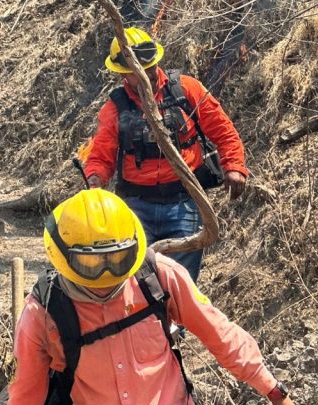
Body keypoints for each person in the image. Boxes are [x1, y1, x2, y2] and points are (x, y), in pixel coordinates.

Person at [0, 189, 307, 405]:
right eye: (91, 263)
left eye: (118, 258)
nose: (108, 274)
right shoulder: (43, 314)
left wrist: (274, 392)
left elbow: (221, 334)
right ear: (63, 257)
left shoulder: (157, 279)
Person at [84, 27, 249, 282]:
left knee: (179, 281)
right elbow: (100, 156)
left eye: (150, 67)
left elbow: (223, 131)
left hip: (185, 201)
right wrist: (94, 182)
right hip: (136, 206)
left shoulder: (186, 90)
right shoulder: (115, 108)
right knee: (138, 282)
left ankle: (176, 322)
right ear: (123, 75)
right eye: (139, 71)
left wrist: (235, 166)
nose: (148, 74)